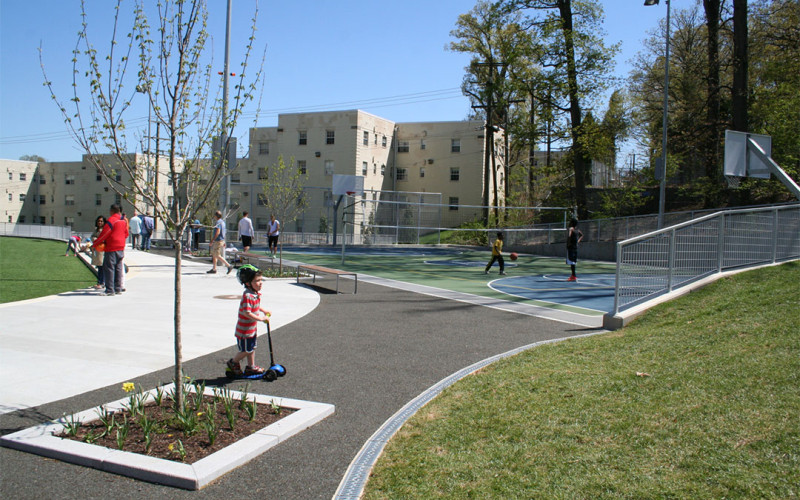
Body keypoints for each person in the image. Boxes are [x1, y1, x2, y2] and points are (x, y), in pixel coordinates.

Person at [226, 264, 271, 376]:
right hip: (244, 331)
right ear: (247, 283)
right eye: (257, 281)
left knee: (252, 348)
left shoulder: (254, 294)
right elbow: (247, 312)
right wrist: (261, 318)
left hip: (251, 329)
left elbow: (255, 306)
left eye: (261, 280)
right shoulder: (247, 296)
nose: (260, 283)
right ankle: (233, 362)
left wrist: (263, 310)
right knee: (246, 350)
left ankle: (251, 367)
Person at [91, 203, 129, 295]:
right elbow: (126, 234)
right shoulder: (123, 221)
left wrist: (94, 244)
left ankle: (109, 290)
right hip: (121, 247)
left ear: (112, 210)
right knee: (118, 267)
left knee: (109, 268)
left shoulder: (111, 221)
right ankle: (118, 288)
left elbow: (104, 234)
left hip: (111, 247)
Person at [208, 210, 233, 274]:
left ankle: (228, 265)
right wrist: (224, 241)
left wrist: (212, 240)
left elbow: (218, 232)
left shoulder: (218, 223)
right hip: (221, 240)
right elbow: (224, 232)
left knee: (217, 255)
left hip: (218, 241)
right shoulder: (223, 222)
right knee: (214, 254)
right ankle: (214, 269)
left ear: (216, 216)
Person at [89, 215, 106, 289]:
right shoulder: (96, 230)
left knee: (102, 266)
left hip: (103, 250)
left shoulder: (105, 229)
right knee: (99, 266)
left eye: (101, 221)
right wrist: (95, 240)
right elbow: (93, 237)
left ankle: (102, 282)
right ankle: (99, 281)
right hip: (97, 250)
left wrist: (98, 240)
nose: (100, 222)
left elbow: (103, 239)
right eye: (99, 221)